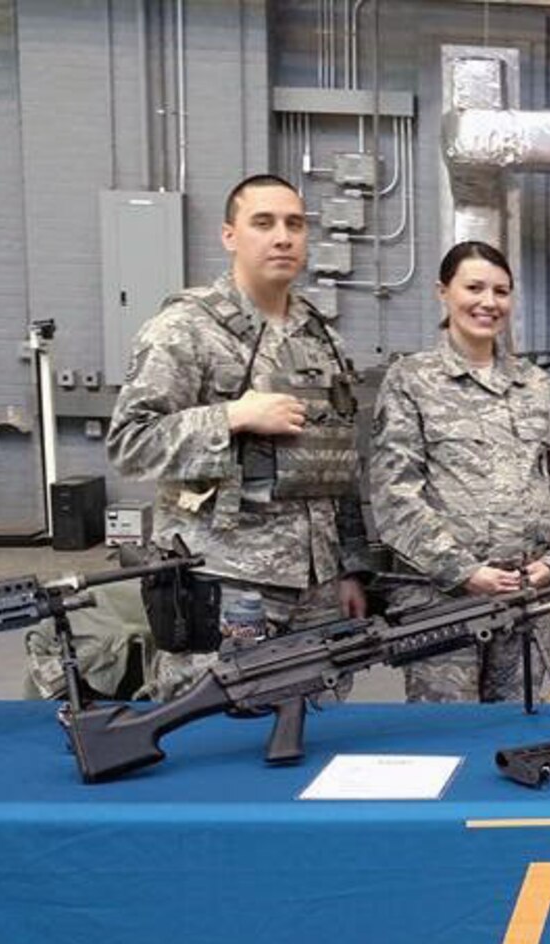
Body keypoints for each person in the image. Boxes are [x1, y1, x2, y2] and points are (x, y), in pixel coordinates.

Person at [108, 173, 370, 700]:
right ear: (230, 235)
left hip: (315, 590)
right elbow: (130, 443)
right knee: (217, 733)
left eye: (295, 224)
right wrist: (230, 417)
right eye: (263, 223)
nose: (282, 237)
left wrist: (351, 569)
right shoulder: (185, 329)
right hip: (224, 582)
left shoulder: (323, 338)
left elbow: (338, 463)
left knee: (313, 731)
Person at [367, 241, 550, 702]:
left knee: (516, 732)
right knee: (445, 737)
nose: (488, 302)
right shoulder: (412, 381)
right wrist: (465, 570)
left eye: (501, 291)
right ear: (443, 292)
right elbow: (395, 495)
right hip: (442, 605)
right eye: (474, 287)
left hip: (524, 603)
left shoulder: (536, 386)